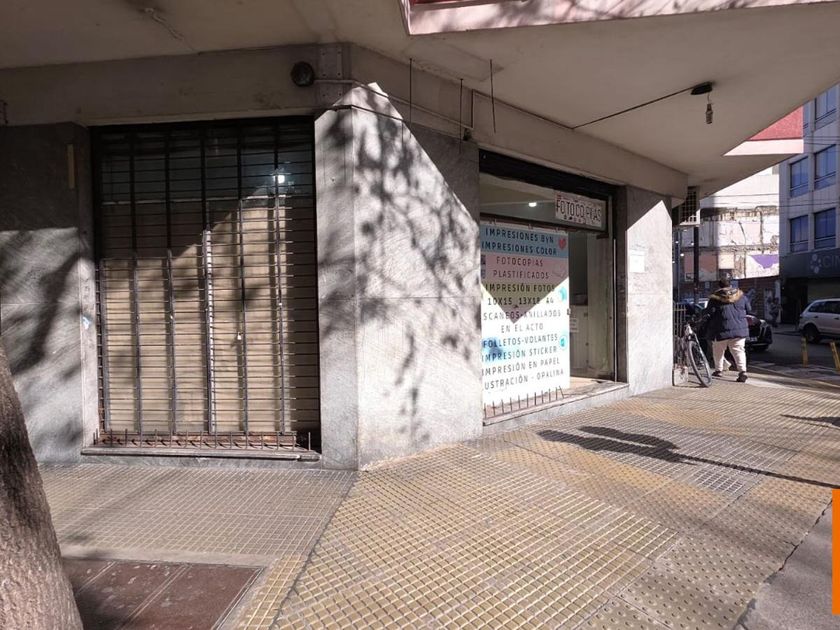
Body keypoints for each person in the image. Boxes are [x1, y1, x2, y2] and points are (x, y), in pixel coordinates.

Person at [702, 278, 752, 383]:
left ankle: (718, 370)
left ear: (719, 286)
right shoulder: (740, 295)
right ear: (730, 285)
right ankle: (742, 372)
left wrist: (703, 315)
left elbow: (709, 312)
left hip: (720, 329)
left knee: (718, 350)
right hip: (739, 329)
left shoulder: (715, 298)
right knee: (738, 351)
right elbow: (749, 309)